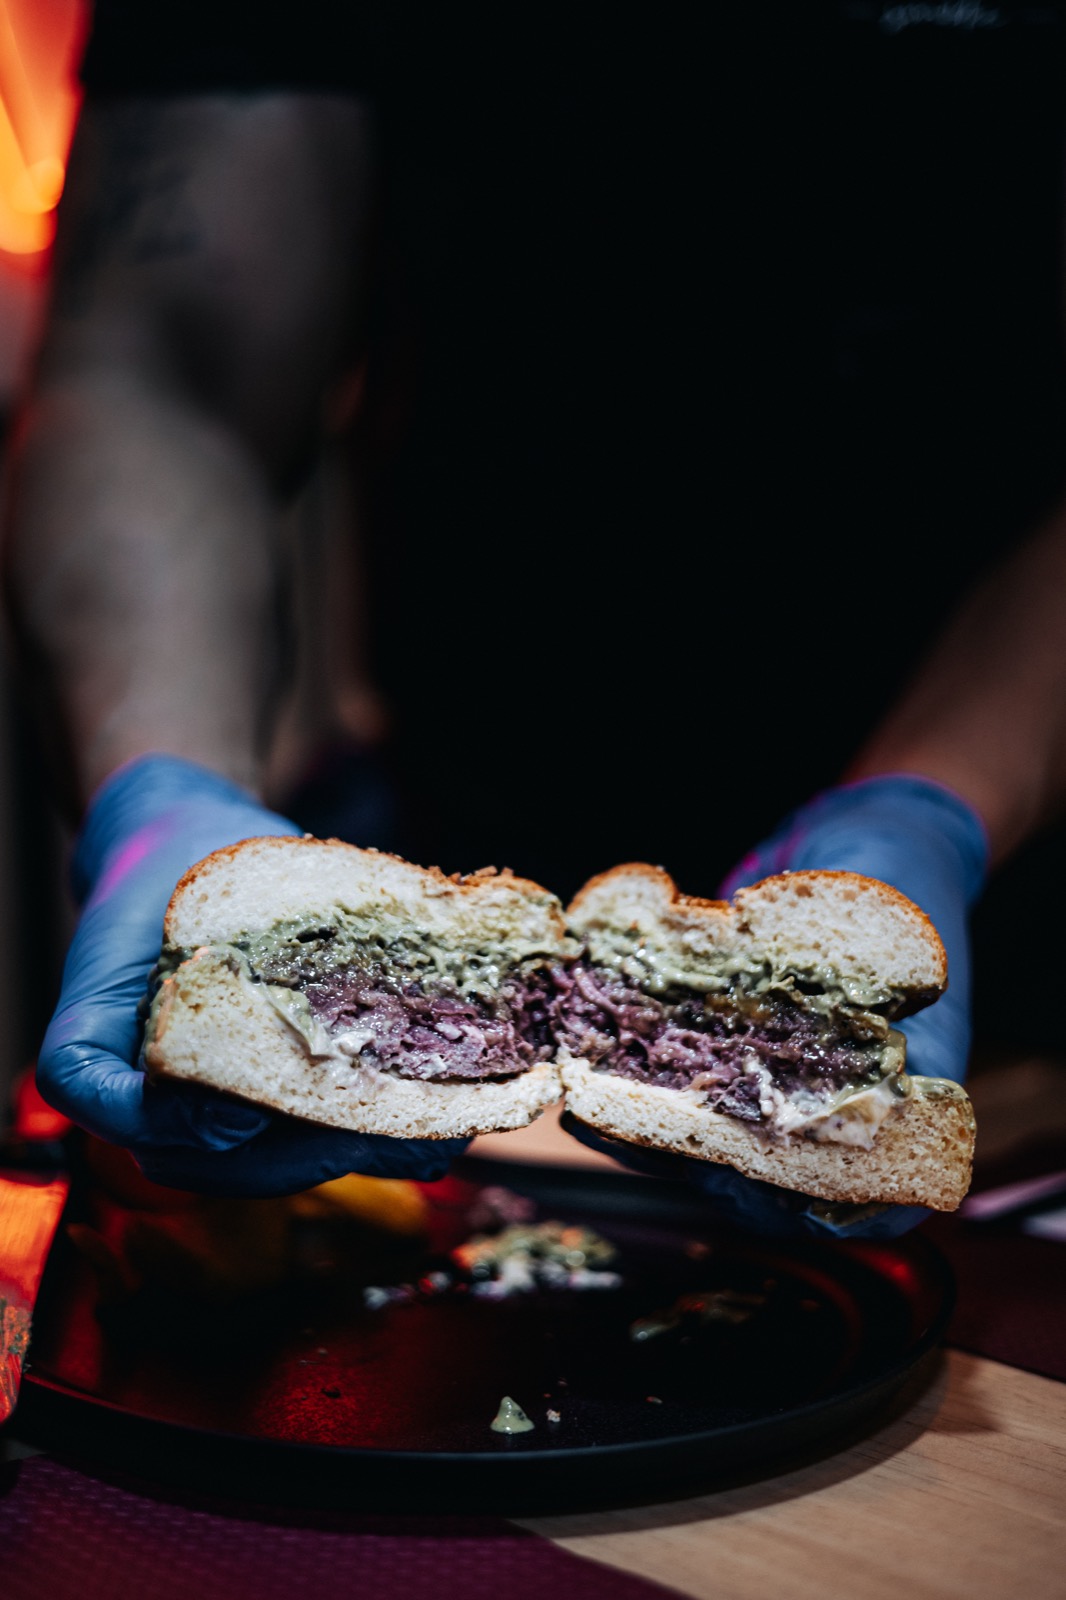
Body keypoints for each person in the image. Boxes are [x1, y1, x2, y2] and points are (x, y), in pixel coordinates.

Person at [4, 4, 1066, 1226]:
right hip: (469, 785)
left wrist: (939, 804)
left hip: (1034, 939)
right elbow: (157, 365)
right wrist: (157, 784)